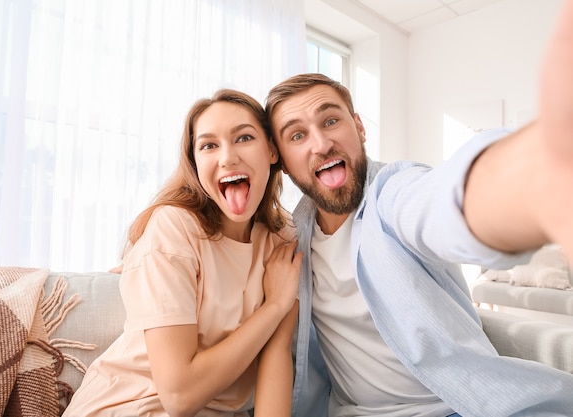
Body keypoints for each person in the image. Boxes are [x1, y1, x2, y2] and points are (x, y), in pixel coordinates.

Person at [264, 2, 573, 416]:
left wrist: (540, 173)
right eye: (297, 135)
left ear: (359, 127)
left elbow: (440, 202)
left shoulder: (393, 194)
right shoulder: (289, 242)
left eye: (331, 121)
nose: (320, 144)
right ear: (282, 160)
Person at [64, 89, 301, 417]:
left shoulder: (284, 238)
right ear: (194, 162)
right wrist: (274, 306)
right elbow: (179, 396)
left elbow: (278, 355)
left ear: (272, 150)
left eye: (244, 138)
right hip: (130, 407)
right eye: (208, 145)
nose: (227, 157)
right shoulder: (174, 226)